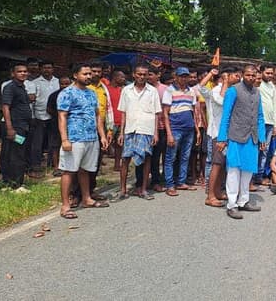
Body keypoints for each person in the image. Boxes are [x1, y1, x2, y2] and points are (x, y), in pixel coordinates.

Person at [57, 63, 110, 219]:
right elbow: (62, 116)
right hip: (74, 138)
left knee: (85, 170)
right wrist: (64, 139)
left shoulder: (91, 93)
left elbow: (97, 115)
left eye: (89, 74)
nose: (89, 76)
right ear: (75, 75)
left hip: (91, 137)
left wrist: (102, 135)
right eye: (85, 74)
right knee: (69, 170)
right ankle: (65, 206)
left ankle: (86, 198)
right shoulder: (67, 93)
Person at [217, 65, 266, 219]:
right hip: (236, 136)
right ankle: (232, 205)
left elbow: (260, 116)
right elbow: (225, 115)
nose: (251, 78)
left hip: (252, 137)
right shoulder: (233, 91)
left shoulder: (257, 92)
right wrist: (222, 138)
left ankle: (243, 201)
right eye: (248, 75)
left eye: (253, 75)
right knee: (233, 171)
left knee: (248, 170)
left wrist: (262, 137)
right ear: (243, 75)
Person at [117, 64, 161, 200]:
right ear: (134, 75)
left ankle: (143, 189)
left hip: (146, 129)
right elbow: (123, 112)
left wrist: (156, 133)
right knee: (125, 159)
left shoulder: (152, 91)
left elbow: (156, 113)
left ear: (148, 75)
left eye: (144, 74)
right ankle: (123, 189)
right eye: (139, 74)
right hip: (130, 128)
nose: (142, 77)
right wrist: (121, 132)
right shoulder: (126, 90)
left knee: (146, 158)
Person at [197, 67, 233, 207]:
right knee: (216, 164)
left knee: (223, 164)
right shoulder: (216, 91)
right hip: (217, 133)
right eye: (227, 77)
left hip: (228, 133)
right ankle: (210, 195)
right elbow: (220, 100)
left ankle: (218, 191)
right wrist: (212, 74)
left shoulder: (231, 91)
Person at [162, 67, 200, 196]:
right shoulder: (169, 90)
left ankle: (181, 182)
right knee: (170, 157)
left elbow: (193, 112)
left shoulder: (191, 91)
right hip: (175, 128)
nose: (184, 78)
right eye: (181, 76)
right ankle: (169, 184)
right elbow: (165, 113)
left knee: (185, 156)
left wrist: (197, 130)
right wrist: (169, 133)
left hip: (189, 128)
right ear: (176, 77)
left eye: (186, 76)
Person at [1, 62, 32, 189]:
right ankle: (15, 184)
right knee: (15, 154)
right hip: (15, 126)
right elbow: (5, 107)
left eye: (25, 71)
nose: (23, 73)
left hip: (23, 125)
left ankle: (14, 181)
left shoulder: (22, 87)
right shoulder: (10, 87)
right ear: (13, 73)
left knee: (20, 152)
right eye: (19, 71)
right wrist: (10, 128)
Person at [28, 60, 59, 178]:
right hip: (39, 116)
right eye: (45, 68)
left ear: (53, 69)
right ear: (41, 69)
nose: (47, 70)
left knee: (53, 142)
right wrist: (32, 116)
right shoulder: (34, 83)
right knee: (37, 142)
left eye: (49, 67)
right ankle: (36, 165)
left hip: (54, 116)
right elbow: (32, 101)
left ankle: (52, 163)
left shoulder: (58, 81)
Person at [256, 64, 276, 189]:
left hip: (270, 122)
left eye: (271, 73)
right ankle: (252, 176)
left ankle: (259, 176)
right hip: (259, 121)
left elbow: (273, 106)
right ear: (261, 72)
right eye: (267, 73)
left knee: (264, 151)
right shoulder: (257, 84)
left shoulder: (271, 86)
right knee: (256, 149)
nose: (270, 75)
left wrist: (275, 125)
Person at [46, 76, 72, 176]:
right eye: (62, 84)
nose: (64, 86)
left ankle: (69, 166)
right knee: (56, 146)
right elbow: (48, 109)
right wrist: (60, 115)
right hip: (56, 124)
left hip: (72, 124)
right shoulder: (54, 96)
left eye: (67, 84)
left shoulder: (74, 94)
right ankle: (56, 167)